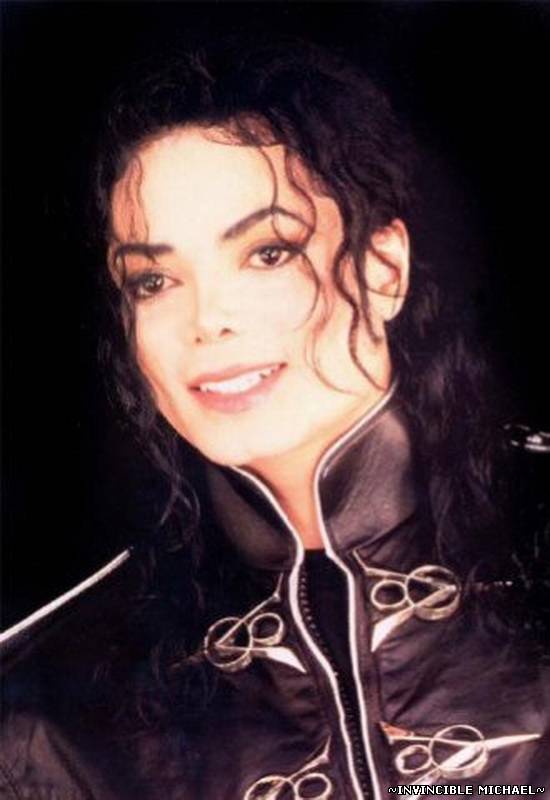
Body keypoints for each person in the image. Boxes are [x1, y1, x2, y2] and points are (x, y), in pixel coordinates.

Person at [1, 37, 549, 799]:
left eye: (267, 253)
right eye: (154, 280)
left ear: (383, 269)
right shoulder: (48, 707)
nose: (208, 320)